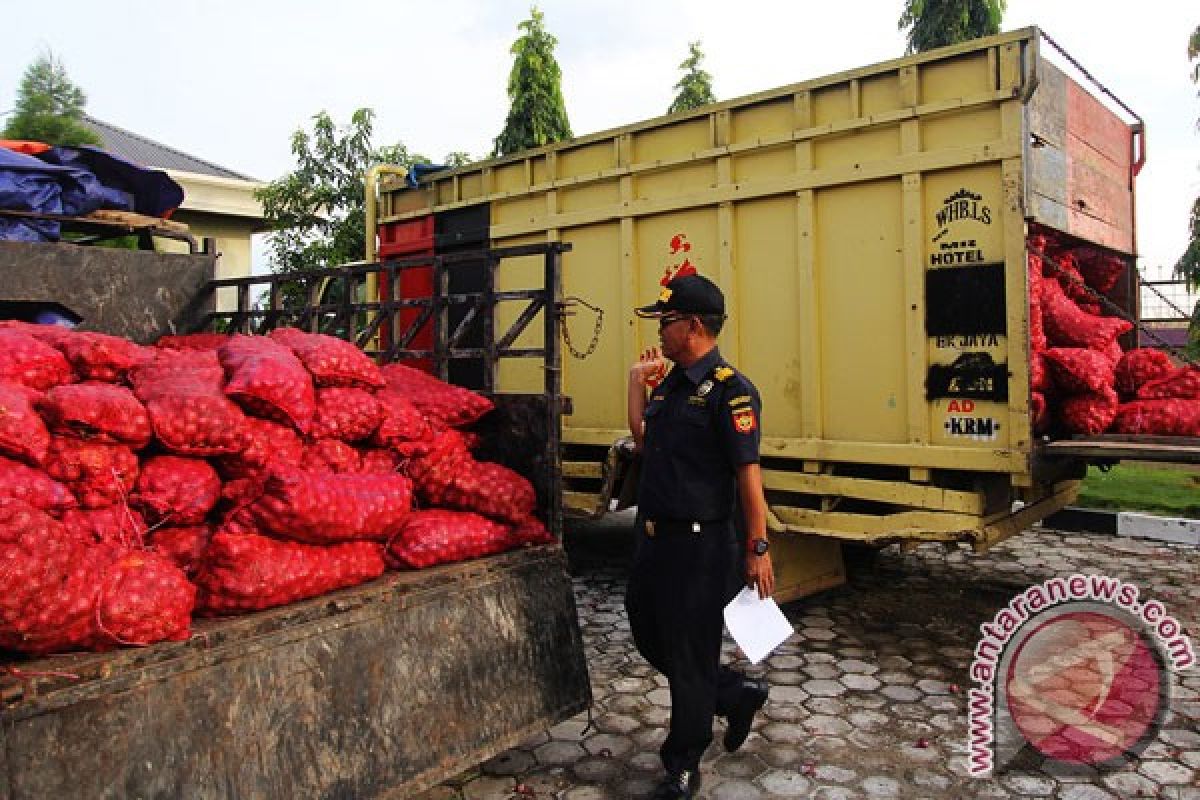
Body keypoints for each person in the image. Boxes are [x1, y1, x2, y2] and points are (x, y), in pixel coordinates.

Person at [625, 272, 776, 799]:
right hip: (654, 539)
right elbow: (645, 442)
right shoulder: (670, 383)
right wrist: (634, 385)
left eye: (665, 322)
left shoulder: (731, 392)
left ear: (692, 325)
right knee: (647, 631)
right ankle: (734, 693)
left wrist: (758, 548)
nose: (659, 332)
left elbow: (747, 474)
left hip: (699, 545)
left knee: (689, 655)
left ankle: (682, 765)